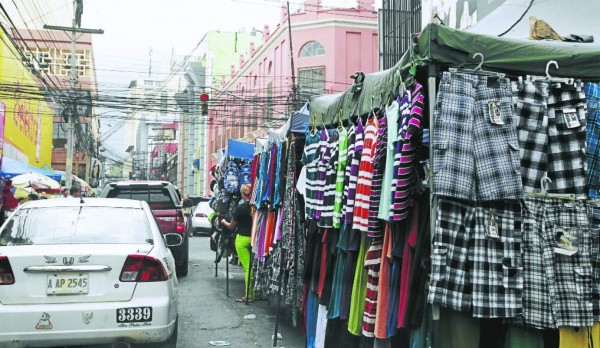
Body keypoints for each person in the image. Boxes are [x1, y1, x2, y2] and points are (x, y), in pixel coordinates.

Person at [219, 184, 254, 303]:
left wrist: (223, 221)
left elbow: (231, 226)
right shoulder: (255, 207)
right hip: (254, 239)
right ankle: (254, 292)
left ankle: (248, 295)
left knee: (247, 267)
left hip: (242, 239)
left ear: (242, 194)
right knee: (253, 266)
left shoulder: (240, 208)